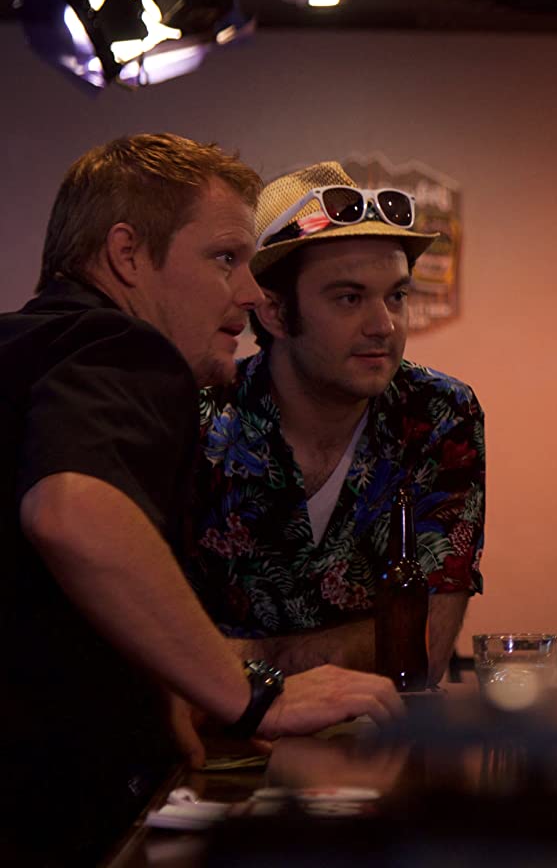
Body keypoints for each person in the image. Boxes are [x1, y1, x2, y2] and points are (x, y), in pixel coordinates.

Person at [0, 135, 405, 864]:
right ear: (127, 254)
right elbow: (71, 512)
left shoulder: (31, 347)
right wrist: (254, 694)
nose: (250, 293)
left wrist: (163, 682)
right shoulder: (124, 348)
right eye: (225, 259)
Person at [177, 161, 484, 689]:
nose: (384, 325)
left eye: (396, 296)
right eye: (349, 298)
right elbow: (152, 654)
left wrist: (238, 660)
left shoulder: (437, 413)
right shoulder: (198, 417)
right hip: (226, 735)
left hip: (375, 733)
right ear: (274, 312)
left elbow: (422, 650)